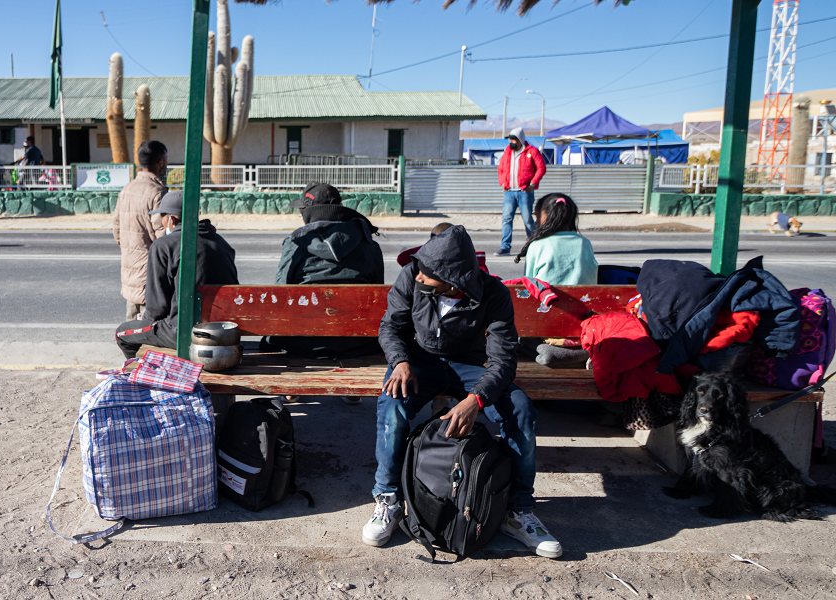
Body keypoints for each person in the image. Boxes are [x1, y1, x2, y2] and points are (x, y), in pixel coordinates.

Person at [366, 225, 561, 559]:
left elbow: (502, 360)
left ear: (452, 279)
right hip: (418, 362)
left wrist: (477, 399)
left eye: (428, 274)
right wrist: (399, 361)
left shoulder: (492, 293)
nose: (418, 278)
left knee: (521, 410)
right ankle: (388, 500)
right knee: (392, 404)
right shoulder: (412, 273)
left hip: (468, 366)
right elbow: (391, 326)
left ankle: (518, 511)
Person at [263, 182, 384, 367]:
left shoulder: (295, 243)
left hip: (302, 342)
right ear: (341, 208)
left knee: (268, 341)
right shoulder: (369, 244)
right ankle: (351, 393)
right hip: (357, 342)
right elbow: (377, 295)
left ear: (308, 212)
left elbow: (281, 293)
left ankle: (290, 392)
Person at [114, 191, 239, 359]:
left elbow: (157, 308)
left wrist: (147, 321)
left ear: (171, 219)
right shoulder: (221, 243)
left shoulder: (163, 246)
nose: (162, 222)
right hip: (222, 331)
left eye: (162, 218)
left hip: (183, 332)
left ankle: (140, 376)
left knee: (122, 333)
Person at [112, 140, 169, 321]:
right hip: (150, 277)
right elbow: (163, 238)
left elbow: (117, 232)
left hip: (130, 271)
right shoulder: (157, 193)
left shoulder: (126, 190)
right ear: (160, 161)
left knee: (131, 326)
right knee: (150, 327)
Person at [513, 193, 597, 285]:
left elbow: (529, 283)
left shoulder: (537, 245)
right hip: (584, 298)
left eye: (538, 217)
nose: (536, 222)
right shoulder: (585, 243)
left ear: (550, 217)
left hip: (548, 298)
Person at [495, 128, 547, 257]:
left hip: (525, 192)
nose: (511, 141)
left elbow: (541, 168)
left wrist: (532, 184)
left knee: (528, 220)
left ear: (520, 139)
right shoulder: (508, 151)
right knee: (507, 219)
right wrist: (502, 182)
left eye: (513, 139)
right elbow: (500, 168)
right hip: (509, 192)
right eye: (510, 139)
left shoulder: (532, 151)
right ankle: (505, 247)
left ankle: (533, 246)